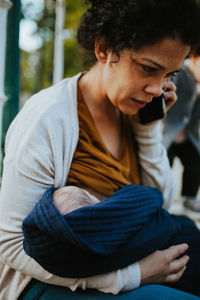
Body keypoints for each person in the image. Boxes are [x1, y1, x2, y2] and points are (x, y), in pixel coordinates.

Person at [1, 0, 200, 299]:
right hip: (45, 283)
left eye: (169, 75)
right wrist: (132, 276)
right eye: (149, 68)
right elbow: (13, 245)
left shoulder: (133, 112)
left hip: (124, 258)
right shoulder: (48, 117)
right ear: (104, 49)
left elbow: (160, 204)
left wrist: (147, 129)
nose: (158, 88)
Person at [163, 46, 200, 213]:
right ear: (194, 57)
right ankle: (160, 200)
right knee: (164, 167)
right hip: (167, 134)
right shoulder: (178, 72)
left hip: (187, 135)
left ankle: (188, 197)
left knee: (195, 162)